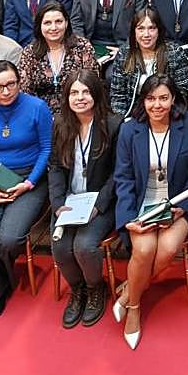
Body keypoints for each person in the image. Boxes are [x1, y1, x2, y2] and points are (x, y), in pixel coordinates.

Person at [112, 75, 188, 349]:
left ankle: (130, 291)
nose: (157, 105)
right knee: (143, 251)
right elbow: (124, 178)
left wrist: (183, 207)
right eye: (151, 99)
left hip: (178, 203)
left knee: (166, 250)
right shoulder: (130, 130)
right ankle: (134, 308)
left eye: (163, 98)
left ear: (173, 99)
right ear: (143, 101)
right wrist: (129, 218)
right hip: (143, 203)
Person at [0, 60, 52, 320]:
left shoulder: (37, 107)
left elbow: (47, 150)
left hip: (29, 178)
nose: (6, 91)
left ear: (19, 82)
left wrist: (28, 183)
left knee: (9, 239)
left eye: (11, 84)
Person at [48, 69, 121, 330]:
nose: (80, 98)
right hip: (69, 201)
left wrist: (98, 205)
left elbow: (118, 173)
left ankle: (95, 288)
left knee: (85, 245)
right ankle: (77, 289)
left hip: (101, 203)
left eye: (86, 92)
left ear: (97, 94)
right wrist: (57, 206)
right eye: (74, 92)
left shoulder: (113, 124)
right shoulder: (59, 123)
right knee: (59, 247)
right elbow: (55, 166)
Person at [17, 1, 100, 116]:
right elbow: (24, 91)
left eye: (58, 22)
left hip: (77, 112)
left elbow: (92, 85)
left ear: (66, 23)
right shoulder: (30, 52)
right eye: (47, 23)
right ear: (39, 26)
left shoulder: (82, 47)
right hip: (39, 114)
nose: (53, 27)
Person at [109, 8, 188, 117]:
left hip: (168, 114)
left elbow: (183, 94)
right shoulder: (124, 54)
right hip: (133, 114)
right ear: (134, 31)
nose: (146, 34)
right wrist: (124, 121)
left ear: (159, 31)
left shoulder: (175, 53)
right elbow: (117, 96)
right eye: (141, 28)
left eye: (151, 28)